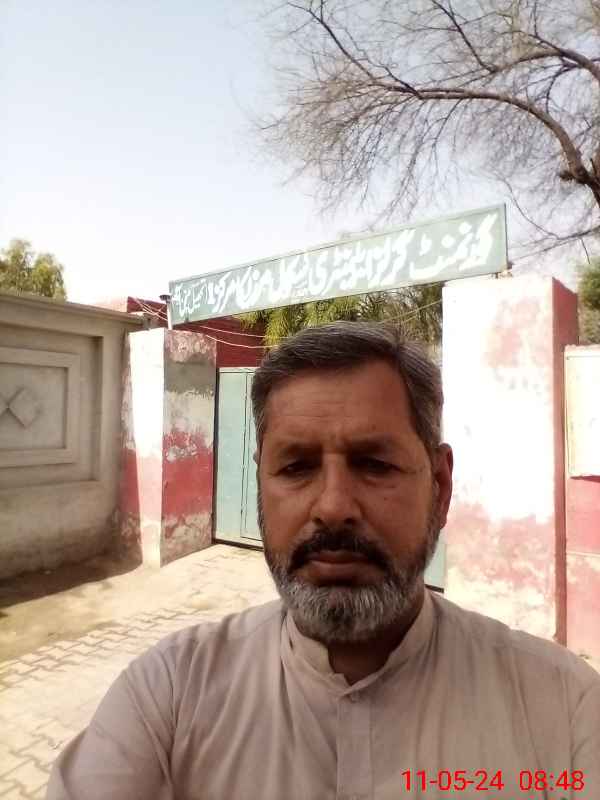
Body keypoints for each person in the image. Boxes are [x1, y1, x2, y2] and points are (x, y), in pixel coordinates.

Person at [46, 321, 599, 800]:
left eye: (374, 464)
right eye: (296, 467)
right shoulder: (168, 695)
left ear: (440, 486)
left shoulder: (564, 711)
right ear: (261, 486)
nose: (333, 507)